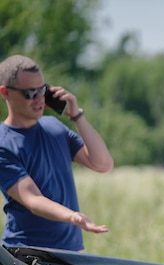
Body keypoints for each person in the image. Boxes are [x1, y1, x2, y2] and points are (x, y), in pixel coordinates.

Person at [0, 55, 114, 251]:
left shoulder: (54, 127)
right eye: (30, 93)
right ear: (5, 92)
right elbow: (33, 199)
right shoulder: (3, 143)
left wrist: (77, 116)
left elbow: (102, 164)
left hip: (71, 251)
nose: (39, 99)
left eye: (42, 90)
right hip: (27, 254)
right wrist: (73, 217)